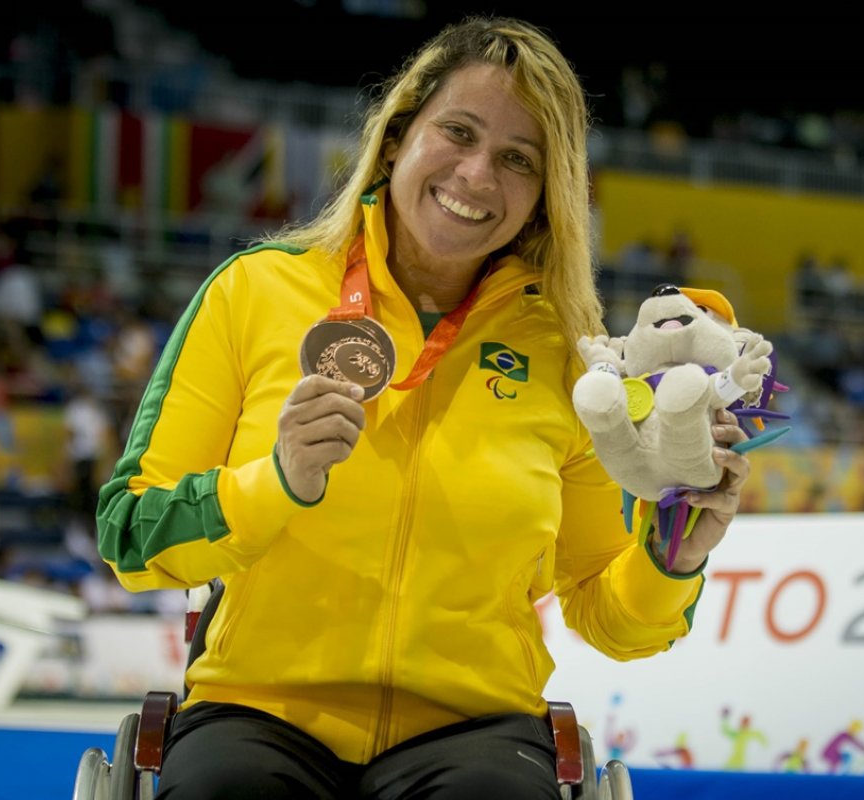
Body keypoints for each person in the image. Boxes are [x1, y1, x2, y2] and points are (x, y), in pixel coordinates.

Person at [95, 16, 753, 800]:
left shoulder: (570, 358)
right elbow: (130, 537)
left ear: (548, 198)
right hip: (256, 713)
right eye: (459, 132)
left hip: (477, 732)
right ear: (399, 135)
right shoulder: (255, 292)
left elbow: (609, 616)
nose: (477, 176)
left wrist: (673, 557)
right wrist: (275, 482)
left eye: (518, 160)